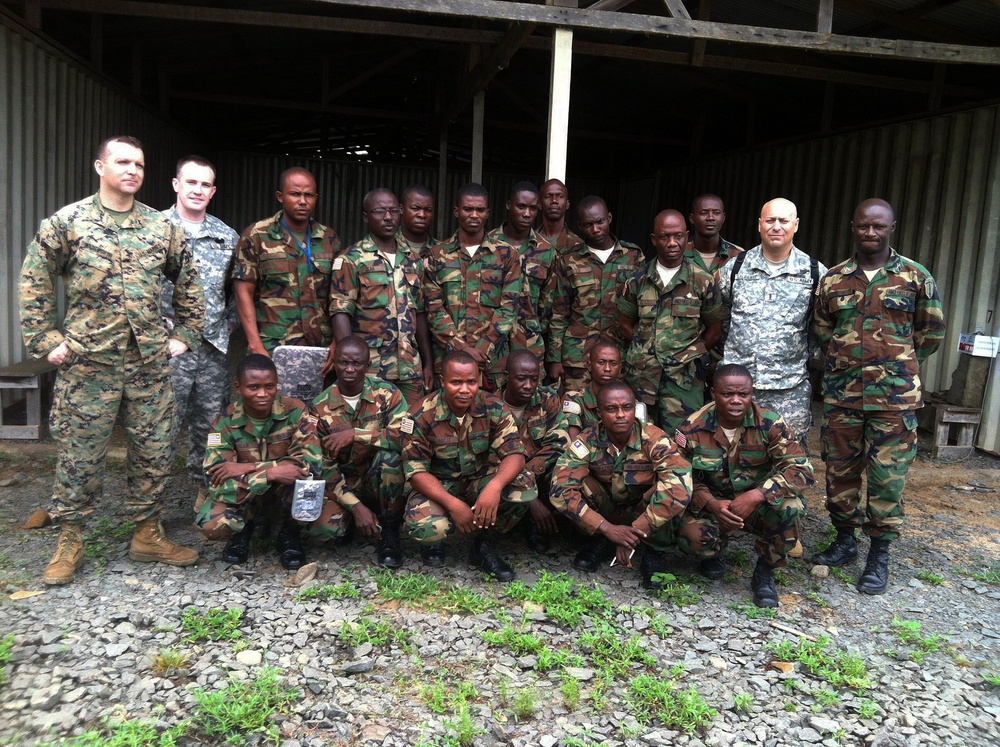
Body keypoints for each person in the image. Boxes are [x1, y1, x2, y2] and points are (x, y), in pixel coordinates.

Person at [19, 135, 203, 585]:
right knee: (80, 454)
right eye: (122, 161)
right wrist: (46, 340)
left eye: (139, 164)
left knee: (154, 451)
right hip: (89, 363)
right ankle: (71, 539)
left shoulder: (163, 228)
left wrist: (185, 334)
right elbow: (34, 280)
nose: (132, 170)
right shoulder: (68, 222)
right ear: (100, 166)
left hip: (147, 365)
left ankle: (147, 533)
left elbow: (190, 284)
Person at [812, 198, 946, 595]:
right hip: (843, 397)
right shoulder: (833, 279)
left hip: (894, 400)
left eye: (878, 227)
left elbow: (930, 333)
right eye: (863, 226)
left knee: (888, 480)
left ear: (891, 228)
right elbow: (823, 330)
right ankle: (844, 542)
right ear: (852, 227)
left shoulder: (914, 277)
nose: (870, 233)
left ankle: (879, 554)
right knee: (839, 473)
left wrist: (896, 364)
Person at [676, 364, 814, 608]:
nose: (737, 401)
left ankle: (765, 571)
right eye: (728, 394)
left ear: (752, 394)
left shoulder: (770, 423)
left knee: (791, 507)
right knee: (691, 537)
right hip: (716, 504)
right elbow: (679, 475)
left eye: (744, 394)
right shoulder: (691, 428)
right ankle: (714, 551)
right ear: (713, 394)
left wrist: (758, 495)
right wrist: (711, 504)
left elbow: (801, 470)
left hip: (758, 504)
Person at [550, 382, 708, 589]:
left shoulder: (654, 439)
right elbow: (559, 490)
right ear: (599, 412)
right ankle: (604, 539)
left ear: (635, 409)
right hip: (608, 513)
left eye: (627, 407)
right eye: (611, 409)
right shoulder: (586, 442)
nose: (620, 415)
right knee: (582, 482)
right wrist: (607, 529)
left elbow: (680, 488)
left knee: (668, 487)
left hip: (643, 513)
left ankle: (654, 552)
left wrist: (633, 532)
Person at [402, 351, 536, 580]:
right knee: (425, 527)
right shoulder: (420, 414)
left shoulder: (493, 406)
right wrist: (453, 504)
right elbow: (415, 472)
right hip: (438, 487)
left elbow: (515, 454)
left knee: (524, 484)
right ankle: (435, 543)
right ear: (442, 381)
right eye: (456, 382)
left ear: (479, 381)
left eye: (471, 382)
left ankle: (484, 545)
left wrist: (494, 488)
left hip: (478, 481)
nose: (465, 389)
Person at [161, 155, 241, 503]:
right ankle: (151, 503)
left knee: (211, 427)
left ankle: (204, 487)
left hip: (211, 349)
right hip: (166, 350)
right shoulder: (153, 229)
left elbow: (238, 290)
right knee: (160, 427)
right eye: (191, 182)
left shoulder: (226, 236)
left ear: (213, 191)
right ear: (177, 184)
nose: (198, 190)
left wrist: (230, 323)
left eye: (205, 184)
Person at [716, 197, 828, 443]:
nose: (776, 226)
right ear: (759, 225)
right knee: (732, 456)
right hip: (738, 388)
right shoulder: (735, 269)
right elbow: (720, 318)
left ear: (795, 225)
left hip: (789, 390)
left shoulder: (815, 273)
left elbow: (820, 326)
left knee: (788, 460)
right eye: (770, 220)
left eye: (783, 220)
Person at [198, 354, 314, 569]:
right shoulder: (224, 422)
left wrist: (248, 467)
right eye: (253, 387)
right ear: (238, 387)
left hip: (283, 492)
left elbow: (309, 464)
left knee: (308, 489)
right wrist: (270, 473)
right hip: (247, 497)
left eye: (270, 386)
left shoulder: (296, 412)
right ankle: (243, 531)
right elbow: (215, 479)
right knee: (213, 524)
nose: (263, 394)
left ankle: (289, 534)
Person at [619, 209, 725, 432]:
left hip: (683, 381)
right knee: (639, 437)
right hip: (642, 378)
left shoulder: (702, 281)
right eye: (665, 237)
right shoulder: (638, 280)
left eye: (678, 236)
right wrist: (647, 349)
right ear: (654, 240)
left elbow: (715, 329)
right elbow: (625, 324)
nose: (672, 243)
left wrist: (689, 354)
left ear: (687, 237)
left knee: (683, 441)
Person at [310, 336, 409, 568]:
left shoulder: (388, 393)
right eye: (343, 363)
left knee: (390, 460)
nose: (350, 369)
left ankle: (390, 531)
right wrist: (355, 506)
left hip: (380, 477)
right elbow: (324, 467)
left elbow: (405, 436)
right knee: (325, 530)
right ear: (334, 363)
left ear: (368, 365)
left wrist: (356, 434)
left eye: (356, 363)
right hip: (346, 482)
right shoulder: (318, 408)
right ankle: (355, 519)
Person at [330, 187, 435, 407]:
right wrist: (351, 363)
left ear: (400, 213)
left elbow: (420, 313)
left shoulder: (413, 260)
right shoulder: (351, 259)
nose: (388, 217)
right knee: (372, 429)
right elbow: (340, 312)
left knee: (412, 427)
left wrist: (428, 362)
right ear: (366, 217)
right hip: (371, 367)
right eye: (379, 211)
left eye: (393, 211)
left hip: (410, 367)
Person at [232, 167, 342, 367]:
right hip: (273, 345)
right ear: (280, 197)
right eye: (295, 194)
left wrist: (337, 343)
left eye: (309, 195)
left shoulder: (329, 238)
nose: (302, 201)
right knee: (269, 398)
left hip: (320, 347)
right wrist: (256, 346)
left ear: (316, 198)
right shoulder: (256, 235)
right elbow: (243, 292)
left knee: (321, 399)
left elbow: (340, 295)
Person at [423, 183, 521, 390]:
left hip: (492, 363)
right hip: (450, 362)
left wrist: (483, 349)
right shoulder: (437, 255)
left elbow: (509, 308)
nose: (474, 215)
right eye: (468, 209)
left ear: (488, 213)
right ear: (457, 212)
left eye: (480, 210)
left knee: (491, 418)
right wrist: (462, 350)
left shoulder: (507, 255)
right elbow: (434, 310)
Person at [546, 196, 642, 392]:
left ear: (609, 218)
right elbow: (559, 312)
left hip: (619, 355)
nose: (596, 229)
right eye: (589, 224)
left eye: (600, 222)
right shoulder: (569, 260)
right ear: (579, 225)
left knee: (615, 409)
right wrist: (555, 359)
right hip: (578, 357)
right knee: (574, 410)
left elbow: (643, 309)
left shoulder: (633, 256)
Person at [500, 350, 570, 552]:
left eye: (534, 379)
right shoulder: (491, 405)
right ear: (507, 377)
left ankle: (541, 525)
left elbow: (559, 442)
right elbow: (489, 458)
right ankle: (491, 536)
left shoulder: (547, 398)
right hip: (504, 476)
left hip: (538, 472)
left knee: (565, 468)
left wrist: (528, 480)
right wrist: (531, 500)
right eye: (521, 379)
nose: (529, 386)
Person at [486, 182, 554, 362]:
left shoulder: (546, 251)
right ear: (509, 205)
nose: (527, 214)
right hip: (491, 342)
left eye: (532, 208)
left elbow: (549, 305)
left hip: (528, 343)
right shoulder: (487, 245)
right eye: (521, 206)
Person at [562, 339, 622, 441]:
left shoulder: (627, 402)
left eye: (613, 363)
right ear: (589, 366)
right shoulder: (574, 399)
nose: (607, 368)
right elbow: (573, 444)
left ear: (620, 368)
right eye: (601, 362)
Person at [685, 194, 743, 273]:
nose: (710, 218)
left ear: (723, 218)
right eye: (704, 213)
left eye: (716, 213)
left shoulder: (738, 255)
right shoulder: (678, 253)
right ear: (692, 218)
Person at [537, 178, 582, 254]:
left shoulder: (578, 246)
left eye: (560, 196)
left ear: (567, 204)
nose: (554, 200)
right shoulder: (527, 241)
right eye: (548, 196)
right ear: (540, 204)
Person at [399, 184, 436, 257]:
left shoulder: (442, 250)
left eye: (428, 210)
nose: (422, 215)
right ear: (401, 209)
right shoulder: (386, 245)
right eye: (415, 208)